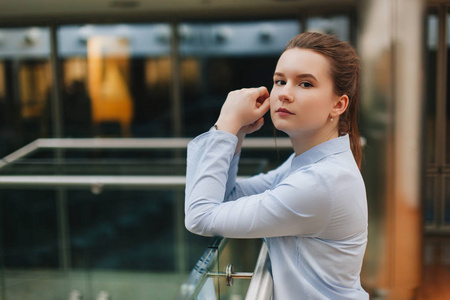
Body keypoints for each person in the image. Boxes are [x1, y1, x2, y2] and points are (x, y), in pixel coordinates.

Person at [185, 32, 368, 300]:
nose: (284, 94)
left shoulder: (320, 182)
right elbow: (227, 198)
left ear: (338, 105)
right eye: (280, 81)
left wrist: (225, 125)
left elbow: (200, 217)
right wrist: (236, 135)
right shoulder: (305, 165)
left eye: (305, 84)